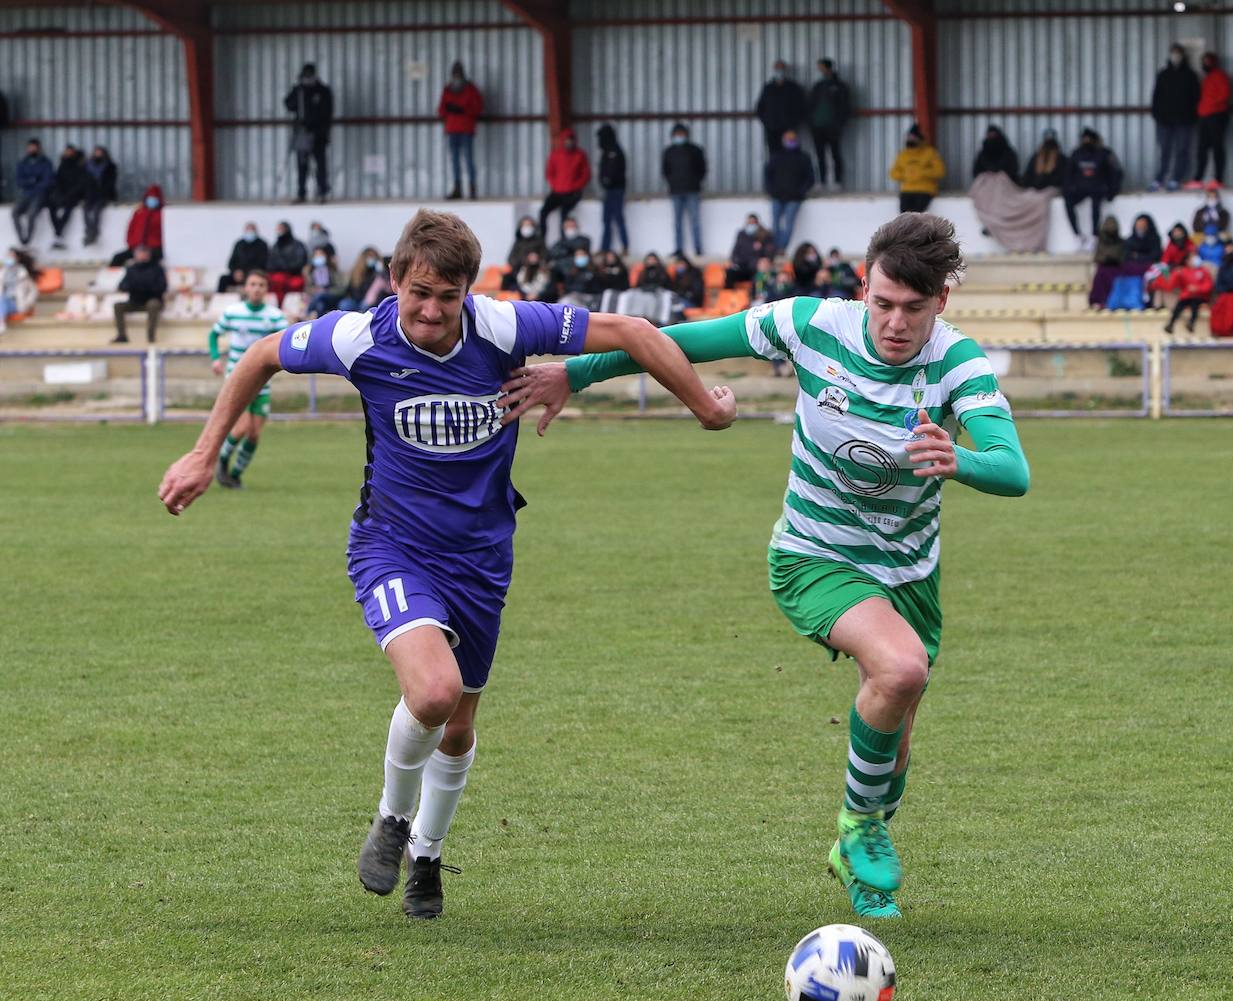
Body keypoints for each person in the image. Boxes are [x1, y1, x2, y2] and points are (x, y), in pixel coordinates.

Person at [157, 209, 737, 921]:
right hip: (391, 545)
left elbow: (634, 332)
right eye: (419, 292)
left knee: (458, 727)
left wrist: (705, 406)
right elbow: (259, 357)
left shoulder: (503, 327)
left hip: (482, 557)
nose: (431, 310)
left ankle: (426, 858)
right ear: (395, 280)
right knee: (433, 692)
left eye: (448, 296)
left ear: (471, 290)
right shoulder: (357, 337)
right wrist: (203, 452)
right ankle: (391, 822)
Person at [502, 212, 1030, 921]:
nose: (894, 323)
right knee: (901, 670)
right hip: (815, 555)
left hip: (908, 577)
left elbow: (1013, 469)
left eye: (912, 308)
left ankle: (859, 835)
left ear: (942, 302)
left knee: (895, 744)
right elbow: (675, 341)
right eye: (882, 303)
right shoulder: (808, 324)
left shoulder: (959, 364)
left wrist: (959, 459)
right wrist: (576, 372)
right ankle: (858, 828)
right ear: (861, 289)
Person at [208, 270, 290, 489]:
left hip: (262, 381)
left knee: (254, 434)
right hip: (237, 378)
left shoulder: (274, 316)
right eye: (252, 284)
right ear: (246, 287)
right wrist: (216, 359)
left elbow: (284, 341)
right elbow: (214, 334)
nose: (256, 288)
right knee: (242, 427)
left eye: (261, 285)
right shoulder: (233, 312)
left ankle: (234, 475)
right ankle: (223, 462)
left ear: (266, 289)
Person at [1149, 43, 1200, 192]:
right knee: (1165, 150)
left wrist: (1191, 116)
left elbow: (1196, 97)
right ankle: (1160, 179)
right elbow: (1156, 97)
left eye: (1178, 53)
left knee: (1182, 150)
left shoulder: (1190, 75)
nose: (1176, 56)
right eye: (1174, 53)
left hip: (1184, 121)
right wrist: (1157, 115)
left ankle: (1176, 178)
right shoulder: (1163, 74)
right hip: (1164, 121)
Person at [1063, 128, 1121, 245]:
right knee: (1068, 202)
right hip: (1080, 189)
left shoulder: (1105, 153)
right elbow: (1068, 174)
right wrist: (1068, 189)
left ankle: (1095, 235)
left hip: (1098, 188)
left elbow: (1116, 172)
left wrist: (1112, 191)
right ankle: (1077, 235)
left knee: (1096, 205)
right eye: (1084, 139)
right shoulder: (1076, 154)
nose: (1086, 141)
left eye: (1089, 139)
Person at [285, 62, 333, 204]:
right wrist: (298, 92)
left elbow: (327, 113)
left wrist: (319, 128)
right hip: (302, 133)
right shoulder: (299, 91)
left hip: (318, 134)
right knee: (302, 165)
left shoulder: (323, 91)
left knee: (320, 164)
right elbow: (289, 105)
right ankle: (301, 193)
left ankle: (322, 192)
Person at [437, 62, 483, 200]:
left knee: (468, 160)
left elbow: (478, 108)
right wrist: (449, 110)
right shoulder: (448, 90)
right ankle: (458, 188)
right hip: (452, 129)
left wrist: (462, 110)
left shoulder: (470, 89)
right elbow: (441, 110)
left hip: (466, 129)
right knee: (455, 160)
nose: (456, 77)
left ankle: (472, 188)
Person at [765, 130, 815, 251]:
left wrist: (801, 192)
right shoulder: (776, 157)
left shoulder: (803, 158)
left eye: (793, 140)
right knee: (775, 224)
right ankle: (775, 248)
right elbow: (768, 175)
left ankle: (781, 248)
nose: (790, 142)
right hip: (777, 196)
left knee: (788, 225)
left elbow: (810, 178)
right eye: (788, 139)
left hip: (794, 198)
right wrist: (771, 190)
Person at [662, 122, 707, 257]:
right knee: (677, 222)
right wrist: (671, 182)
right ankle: (679, 249)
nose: (679, 137)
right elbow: (665, 170)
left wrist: (696, 181)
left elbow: (702, 169)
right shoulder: (669, 152)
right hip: (676, 191)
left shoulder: (695, 150)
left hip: (692, 190)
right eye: (677, 134)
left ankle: (698, 248)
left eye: (681, 134)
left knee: (695, 221)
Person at [1188, 52, 1232, 187]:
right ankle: (1198, 179)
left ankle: (1218, 179)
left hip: (1216, 115)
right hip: (1204, 116)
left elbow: (1225, 94)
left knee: (1217, 148)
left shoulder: (1220, 76)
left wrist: (1212, 106)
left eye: (1208, 61)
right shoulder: (1206, 78)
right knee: (1202, 148)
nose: (1205, 64)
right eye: (1204, 62)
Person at [538, 129, 590, 243]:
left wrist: (576, 186)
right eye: (566, 140)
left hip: (572, 192)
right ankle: (541, 240)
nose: (568, 142)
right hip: (557, 191)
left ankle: (564, 242)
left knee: (564, 215)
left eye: (570, 140)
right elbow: (549, 173)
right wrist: (556, 185)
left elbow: (586, 174)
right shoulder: (555, 155)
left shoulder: (580, 155)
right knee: (543, 212)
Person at [808, 58, 850, 190]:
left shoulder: (839, 86)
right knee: (819, 155)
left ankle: (837, 181)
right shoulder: (818, 86)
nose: (820, 70)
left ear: (828, 68)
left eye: (822, 67)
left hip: (833, 127)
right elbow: (810, 105)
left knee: (835, 153)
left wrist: (839, 123)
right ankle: (821, 181)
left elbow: (845, 106)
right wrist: (812, 123)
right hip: (818, 127)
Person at [111, 245, 166, 343]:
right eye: (140, 253)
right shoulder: (131, 269)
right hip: (135, 302)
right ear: (135, 255)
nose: (143, 255)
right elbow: (122, 285)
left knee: (153, 304)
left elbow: (162, 287)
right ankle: (122, 335)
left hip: (152, 300)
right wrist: (132, 287)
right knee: (118, 306)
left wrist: (143, 287)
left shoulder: (157, 269)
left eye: (145, 253)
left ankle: (151, 337)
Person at [755, 60, 807, 157]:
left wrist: (793, 123)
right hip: (772, 129)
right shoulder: (768, 87)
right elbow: (760, 107)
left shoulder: (794, 88)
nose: (779, 71)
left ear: (785, 70)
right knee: (774, 155)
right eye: (777, 69)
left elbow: (801, 107)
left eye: (781, 68)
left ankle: (791, 172)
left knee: (791, 153)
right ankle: (776, 172)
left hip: (789, 129)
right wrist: (767, 122)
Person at [888, 124, 945, 213]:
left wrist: (922, 172)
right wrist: (905, 174)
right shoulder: (903, 154)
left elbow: (940, 171)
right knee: (904, 216)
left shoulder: (930, 153)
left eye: (913, 137)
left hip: (925, 190)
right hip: (906, 190)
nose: (910, 139)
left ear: (919, 138)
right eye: (908, 137)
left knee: (917, 215)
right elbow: (893, 173)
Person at [12, 139, 54, 246]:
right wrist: (33, 180)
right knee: (15, 212)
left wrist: (31, 183)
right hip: (26, 194)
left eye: (33, 147)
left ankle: (28, 239)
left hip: (40, 195)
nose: (31, 149)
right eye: (29, 147)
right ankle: (22, 238)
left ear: (38, 148)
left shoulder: (46, 162)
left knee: (31, 214)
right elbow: (19, 181)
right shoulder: (23, 162)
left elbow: (47, 181)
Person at [109, 184, 164, 266]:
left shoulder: (163, 213)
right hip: (136, 247)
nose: (152, 200)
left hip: (155, 248)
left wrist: (147, 250)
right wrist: (133, 246)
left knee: (145, 262)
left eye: (154, 198)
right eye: (150, 197)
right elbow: (131, 230)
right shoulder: (139, 213)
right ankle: (110, 278)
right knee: (117, 258)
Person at [596, 123, 628, 255]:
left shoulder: (615, 150)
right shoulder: (606, 151)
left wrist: (609, 180)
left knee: (618, 218)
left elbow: (615, 171)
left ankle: (625, 246)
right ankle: (605, 248)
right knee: (606, 219)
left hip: (616, 189)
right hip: (608, 190)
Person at [1162, 255, 1213, 334]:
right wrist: (1176, 274)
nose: (1195, 260)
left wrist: (1197, 288)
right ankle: (1171, 324)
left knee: (1194, 304)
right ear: (1187, 261)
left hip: (1199, 296)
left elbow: (1208, 286)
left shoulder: (1203, 271)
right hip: (1186, 296)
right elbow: (1172, 285)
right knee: (1179, 306)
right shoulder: (1183, 271)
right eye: (1192, 259)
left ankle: (1191, 323)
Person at [48, 144, 86, 249]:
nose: (68, 154)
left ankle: (58, 234)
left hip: (74, 195)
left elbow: (80, 183)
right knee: (51, 207)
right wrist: (60, 193)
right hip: (62, 194)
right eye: (66, 151)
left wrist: (70, 194)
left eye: (70, 152)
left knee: (67, 211)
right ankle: (58, 233)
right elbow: (58, 181)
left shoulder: (79, 166)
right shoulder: (62, 165)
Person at [725, 213, 775, 288]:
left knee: (760, 276)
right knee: (730, 273)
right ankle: (729, 296)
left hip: (756, 268)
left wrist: (762, 251)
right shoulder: (741, 234)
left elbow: (770, 252)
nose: (751, 225)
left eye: (753, 223)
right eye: (749, 223)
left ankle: (757, 297)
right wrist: (734, 261)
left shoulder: (765, 235)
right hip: (742, 267)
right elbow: (735, 251)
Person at [81, 145, 117, 247]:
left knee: (97, 211)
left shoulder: (110, 166)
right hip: (90, 195)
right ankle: (89, 231)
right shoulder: (87, 166)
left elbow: (111, 183)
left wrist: (106, 193)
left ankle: (93, 233)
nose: (98, 154)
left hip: (103, 195)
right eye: (96, 152)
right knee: (85, 210)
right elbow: (84, 182)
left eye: (100, 152)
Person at [218, 223, 270, 293]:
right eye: (248, 229)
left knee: (256, 280)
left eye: (252, 230)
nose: (250, 232)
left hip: (253, 274)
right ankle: (220, 300)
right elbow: (231, 262)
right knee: (223, 279)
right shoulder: (239, 244)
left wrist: (247, 273)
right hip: (238, 275)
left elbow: (263, 264)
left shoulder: (262, 244)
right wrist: (235, 272)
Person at [1087, 216, 1125, 309]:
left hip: (1116, 267)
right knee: (1100, 275)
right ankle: (1098, 301)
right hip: (1103, 267)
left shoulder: (1121, 242)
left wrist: (1112, 258)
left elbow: (1122, 257)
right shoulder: (1100, 242)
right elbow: (1098, 257)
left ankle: (1114, 301)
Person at [264, 222, 307, 304]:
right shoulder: (275, 246)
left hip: (294, 274)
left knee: (294, 284)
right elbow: (269, 263)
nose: (279, 231)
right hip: (278, 275)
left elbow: (301, 261)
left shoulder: (297, 245)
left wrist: (285, 268)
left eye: (281, 229)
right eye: (278, 229)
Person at [501, 216, 545, 291]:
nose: (526, 228)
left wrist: (536, 260)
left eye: (529, 225)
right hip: (518, 272)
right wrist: (524, 261)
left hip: (534, 273)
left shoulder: (539, 242)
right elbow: (510, 259)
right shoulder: (518, 242)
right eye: (524, 225)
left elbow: (545, 257)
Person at [547, 215, 591, 282]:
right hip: (563, 272)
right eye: (567, 227)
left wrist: (567, 251)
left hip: (580, 271)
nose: (570, 228)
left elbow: (583, 254)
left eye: (572, 226)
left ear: (577, 226)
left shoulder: (585, 240)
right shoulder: (559, 243)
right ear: (564, 228)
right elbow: (553, 254)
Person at [0, 247, 38, 322]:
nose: (9, 258)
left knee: (2, 301)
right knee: (2, 300)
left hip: (17, 303)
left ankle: (1, 324)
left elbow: (34, 291)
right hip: (3, 301)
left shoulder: (23, 274)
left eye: (12, 256)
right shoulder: (2, 273)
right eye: (8, 256)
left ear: (18, 259)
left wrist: (27, 303)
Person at [305, 246, 344, 316]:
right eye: (316, 255)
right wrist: (314, 290)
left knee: (321, 295)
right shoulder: (310, 272)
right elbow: (307, 288)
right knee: (320, 305)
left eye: (321, 254)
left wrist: (327, 291)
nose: (319, 257)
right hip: (317, 298)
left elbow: (340, 288)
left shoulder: (333, 270)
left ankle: (307, 312)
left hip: (331, 297)